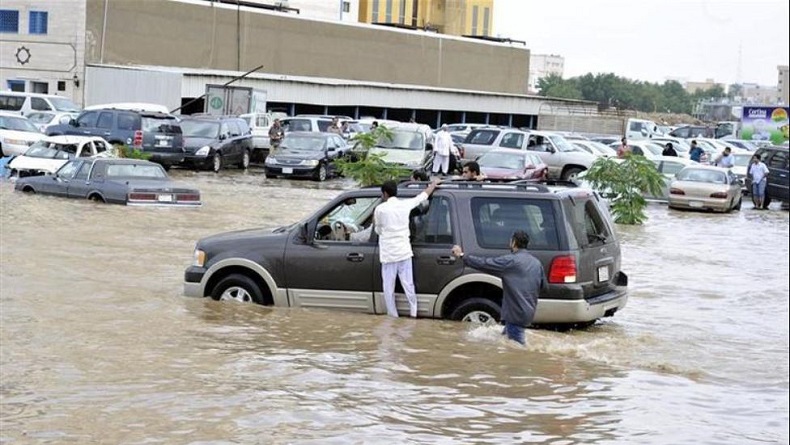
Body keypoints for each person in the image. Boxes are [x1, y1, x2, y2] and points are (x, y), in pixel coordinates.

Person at [450, 230, 546, 345]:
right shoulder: (536, 263)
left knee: (517, 350)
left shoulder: (510, 261)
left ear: (514, 242)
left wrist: (461, 255)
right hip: (527, 312)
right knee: (506, 340)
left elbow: (484, 263)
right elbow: (544, 286)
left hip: (515, 314)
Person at [374, 179, 440, 318]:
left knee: (388, 287)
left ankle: (393, 315)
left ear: (385, 194)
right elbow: (422, 196)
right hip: (404, 251)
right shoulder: (405, 205)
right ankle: (413, 312)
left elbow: (378, 229)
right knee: (408, 284)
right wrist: (433, 185)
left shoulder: (380, 209)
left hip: (389, 254)